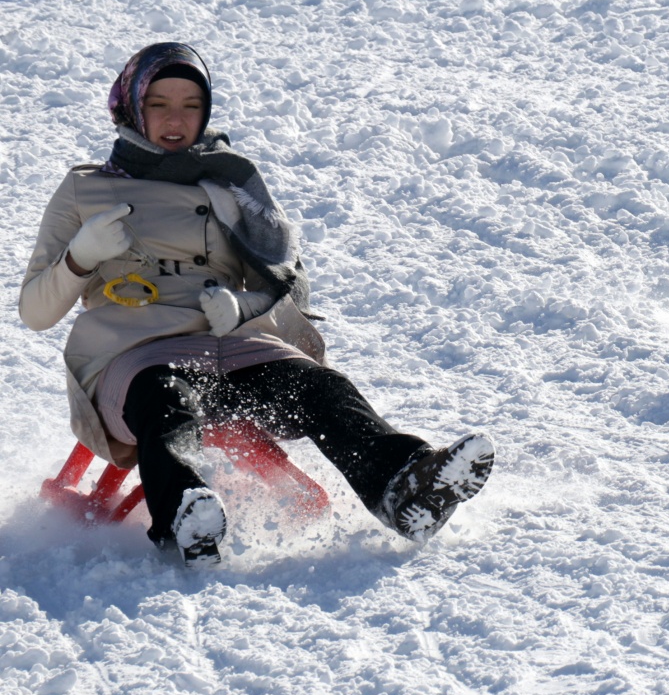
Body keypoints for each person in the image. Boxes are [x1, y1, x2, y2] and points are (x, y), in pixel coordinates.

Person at [20, 42, 495, 567]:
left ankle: (403, 489)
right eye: (159, 104)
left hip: (236, 348)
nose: (175, 120)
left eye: (190, 105)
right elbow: (35, 312)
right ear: (132, 105)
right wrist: (80, 258)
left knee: (321, 389)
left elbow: (282, 282)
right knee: (163, 403)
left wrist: (244, 308)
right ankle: (184, 516)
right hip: (137, 356)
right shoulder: (85, 189)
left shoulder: (230, 183)